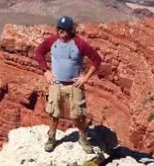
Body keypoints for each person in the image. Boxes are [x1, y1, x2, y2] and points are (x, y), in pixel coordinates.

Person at [34, 15, 103, 152]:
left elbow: (97, 60)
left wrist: (86, 78)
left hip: (74, 85)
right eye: (59, 27)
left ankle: (83, 138)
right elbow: (39, 53)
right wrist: (46, 71)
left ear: (71, 30)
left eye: (64, 28)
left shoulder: (79, 43)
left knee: (78, 115)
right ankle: (52, 137)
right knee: (54, 113)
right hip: (56, 84)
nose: (61, 30)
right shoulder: (52, 41)